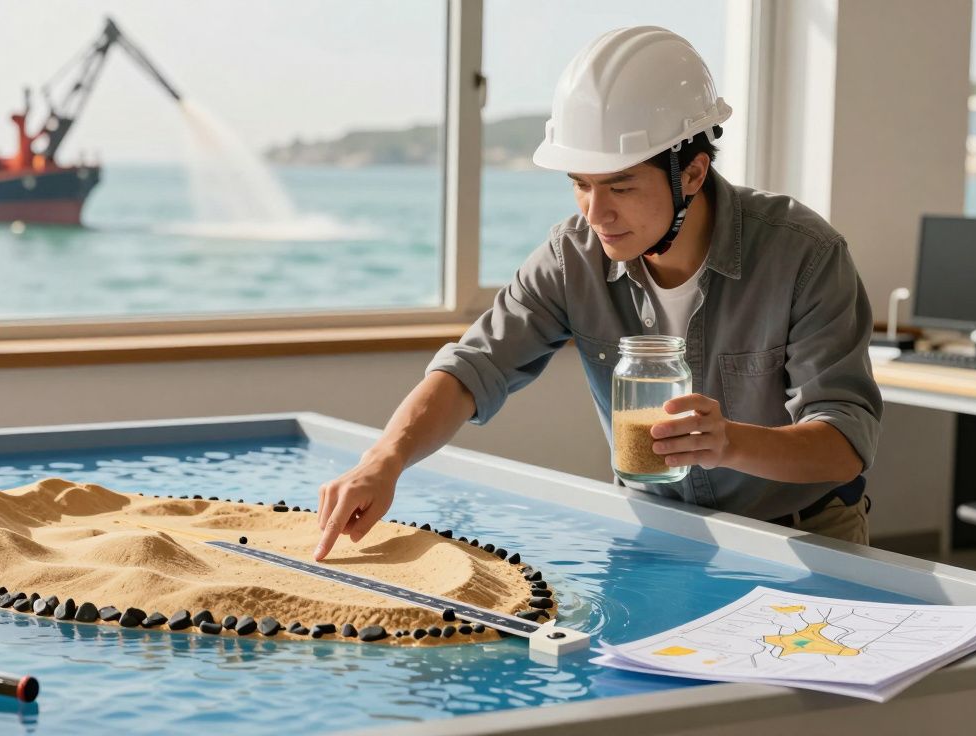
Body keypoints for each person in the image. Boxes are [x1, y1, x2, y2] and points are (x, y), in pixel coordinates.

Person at [313, 26, 882, 560]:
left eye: (621, 187)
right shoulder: (573, 256)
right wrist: (385, 458)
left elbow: (845, 443)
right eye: (581, 185)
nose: (596, 213)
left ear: (691, 173)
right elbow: (474, 367)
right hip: (653, 531)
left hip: (801, 537)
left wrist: (728, 443)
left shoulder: (805, 255)